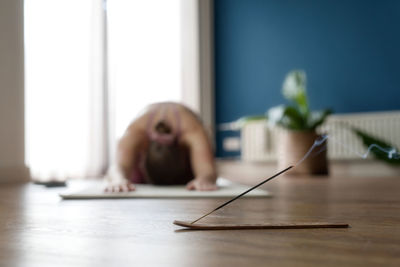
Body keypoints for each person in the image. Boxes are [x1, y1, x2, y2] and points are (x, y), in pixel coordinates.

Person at [105, 102, 217, 192]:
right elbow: (119, 166)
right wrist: (118, 180)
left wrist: (204, 180)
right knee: (127, 180)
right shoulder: (137, 129)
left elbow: (206, 170)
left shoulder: (192, 130)